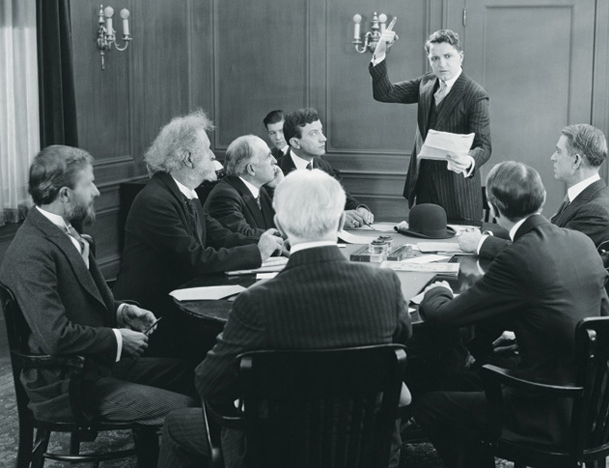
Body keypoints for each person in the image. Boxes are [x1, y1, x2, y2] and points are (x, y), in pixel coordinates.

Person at [158, 169, 412, 467]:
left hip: (274, 451)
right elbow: (400, 348)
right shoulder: (385, 286)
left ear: (279, 224)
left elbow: (208, 384)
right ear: (342, 221)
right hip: (368, 447)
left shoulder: (257, 301)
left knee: (176, 425)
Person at [0, 145, 197, 468]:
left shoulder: (65, 233)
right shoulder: (30, 252)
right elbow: (55, 336)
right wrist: (118, 339)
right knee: (187, 410)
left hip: (94, 366)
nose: (96, 192)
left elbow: (83, 301)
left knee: (197, 373)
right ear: (65, 194)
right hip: (68, 384)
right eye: (89, 184)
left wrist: (122, 312)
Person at [414, 161, 609, 467]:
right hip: (596, 400)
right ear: (542, 198)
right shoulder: (582, 243)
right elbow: (602, 322)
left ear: (493, 209)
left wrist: (434, 292)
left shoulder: (519, 254)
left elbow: (444, 318)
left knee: (430, 405)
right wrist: (530, 337)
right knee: (459, 379)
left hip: (547, 408)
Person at [112, 111, 285, 354]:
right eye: (207, 148)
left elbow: (221, 235)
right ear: (189, 158)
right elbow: (194, 258)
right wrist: (257, 253)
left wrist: (267, 242)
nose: (214, 155)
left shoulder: (183, 193)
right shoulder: (157, 200)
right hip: (152, 317)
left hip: (182, 302)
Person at [369, 28, 492, 225]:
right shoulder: (426, 82)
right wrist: (381, 52)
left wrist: (468, 161)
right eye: (435, 58)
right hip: (424, 190)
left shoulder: (475, 94)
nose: (442, 64)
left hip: (458, 195)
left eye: (447, 56)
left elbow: (484, 146)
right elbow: (385, 93)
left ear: (460, 57)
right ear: (429, 59)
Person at [460, 124, 609, 258]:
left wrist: (480, 244)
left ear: (576, 160)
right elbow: (541, 236)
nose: (553, 157)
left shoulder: (596, 210)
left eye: (558, 151)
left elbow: (543, 254)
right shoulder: (587, 197)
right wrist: (487, 236)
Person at [279, 107, 375, 229]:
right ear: (295, 143)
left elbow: (342, 198)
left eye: (321, 131)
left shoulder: (324, 166)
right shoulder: (278, 173)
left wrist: (359, 209)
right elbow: (293, 217)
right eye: (314, 133)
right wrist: (334, 218)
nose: (323, 138)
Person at [204, 134, 283, 236]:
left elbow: (281, 221)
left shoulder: (262, 189)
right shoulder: (225, 196)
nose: (275, 161)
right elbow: (244, 235)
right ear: (251, 169)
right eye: (268, 156)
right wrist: (284, 237)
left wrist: (279, 187)